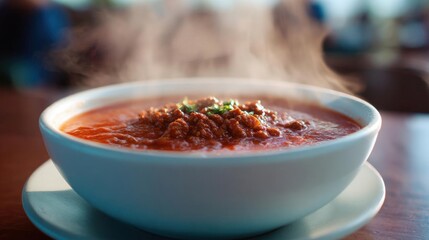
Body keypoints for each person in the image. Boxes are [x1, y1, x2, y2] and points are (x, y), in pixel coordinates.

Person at [0, 0, 69, 88]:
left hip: (46, 78)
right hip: (17, 74)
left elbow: (62, 47)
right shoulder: (6, 12)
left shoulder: (52, 13)